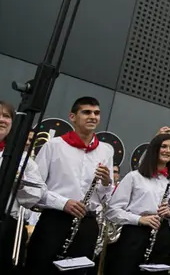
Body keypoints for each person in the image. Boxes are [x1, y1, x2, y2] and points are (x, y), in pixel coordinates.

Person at [26, 97, 114, 274]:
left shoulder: (106, 150)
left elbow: (106, 197)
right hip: (54, 220)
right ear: (72, 117)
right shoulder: (53, 146)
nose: (93, 116)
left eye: (96, 113)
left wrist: (106, 183)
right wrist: (63, 203)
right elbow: (34, 188)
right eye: (86, 112)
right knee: (40, 267)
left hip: (87, 224)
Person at [104, 132, 170, 274]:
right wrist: (139, 219)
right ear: (154, 149)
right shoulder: (134, 177)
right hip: (134, 235)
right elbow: (112, 211)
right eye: (163, 146)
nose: (168, 151)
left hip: (161, 236)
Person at [0, 101, 45, 274]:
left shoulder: (23, 160)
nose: (2, 120)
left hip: (6, 227)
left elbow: (36, 195)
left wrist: (19, 182)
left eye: (6, 116)